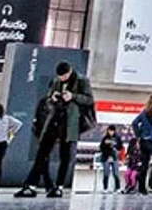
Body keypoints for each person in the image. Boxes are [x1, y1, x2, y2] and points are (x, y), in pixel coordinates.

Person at [14, 61, 94, 198]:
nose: (61, 79)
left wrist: (73, 96)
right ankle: (31, 185)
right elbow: (49, 99)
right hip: (54, 119)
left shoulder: (82, 80)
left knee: (65, 154)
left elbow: (89, 100)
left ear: (69, 72)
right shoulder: (56, 81)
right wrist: (53, 98)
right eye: (60, 77)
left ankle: (59, 186)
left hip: (70, 122)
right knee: (42, 152)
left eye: (63, 76)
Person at [97, 124, 122, 193]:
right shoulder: (105, 138)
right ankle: (105, 188)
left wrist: (115, 147)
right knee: (106, 173)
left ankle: (118, 188)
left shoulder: (117, 138)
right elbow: (101, 147)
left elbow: (120, 147)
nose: (111, 132)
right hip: (106, 157)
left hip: (114, 157)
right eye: (109, 131)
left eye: (112, 131)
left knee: (116, 174)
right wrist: (106, 151)